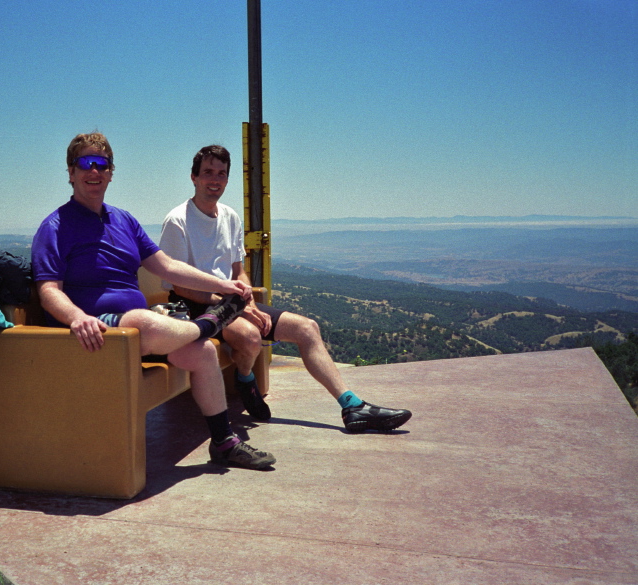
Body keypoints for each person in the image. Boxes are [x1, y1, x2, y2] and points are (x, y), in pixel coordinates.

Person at [31, 133, 276, 470]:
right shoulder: (55, 227)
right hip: (95, 329)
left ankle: (223, 442)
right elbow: (48, 291)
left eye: (102, 164)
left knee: (203, 352)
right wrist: (76, 318)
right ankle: (209, 324)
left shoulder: (124, 220)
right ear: (71, 172)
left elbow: (167, 266)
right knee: (143, 321)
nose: (94, 171)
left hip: (136, 331)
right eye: (85, 164)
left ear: (111, 172)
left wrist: (225, 286)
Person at [159, 145, 412, 432]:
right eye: (207, 173)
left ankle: (352, 406)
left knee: (308, 328)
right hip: (194, 306)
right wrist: (235, 307)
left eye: (221, 173)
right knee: (251, 337)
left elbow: (237, 270)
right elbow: (180, 285)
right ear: (194, 177)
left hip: (231, 301)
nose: (214, 180)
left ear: (228, 179)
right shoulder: (177, 220)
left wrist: (249, 303)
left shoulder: (230, 217)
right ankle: (245, 381)